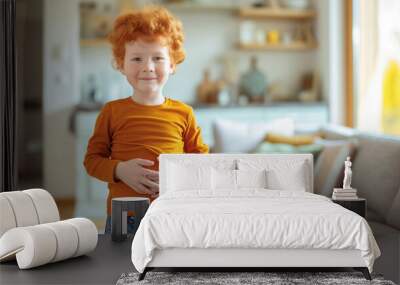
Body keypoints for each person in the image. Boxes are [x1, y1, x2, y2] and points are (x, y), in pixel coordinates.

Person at [83, 6, 209, 234]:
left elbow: (202, 164)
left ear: (172, 64)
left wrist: (177, 182)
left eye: (158, 58)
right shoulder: (112, 112)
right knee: (123, 266)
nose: (148, 67)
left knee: (172, 266)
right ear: (121, 64)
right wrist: (120, 170)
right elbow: (92, 161)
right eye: (137, 58)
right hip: (124, 213)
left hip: (174, 212)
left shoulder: (184, 113)